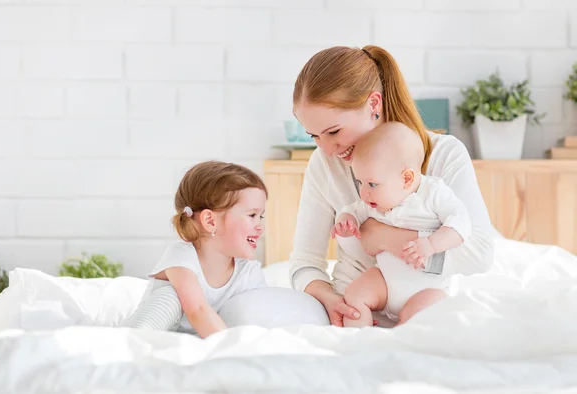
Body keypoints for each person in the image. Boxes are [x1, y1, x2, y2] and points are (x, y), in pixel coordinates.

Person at [289, 45, 494, 328]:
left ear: (374, 104)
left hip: (421, 310)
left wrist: (381, 236)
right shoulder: (325, 165)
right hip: (351, 312)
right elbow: (304, 262)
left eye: (334, 132)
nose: (326, 150)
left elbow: (479, 254)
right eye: (315, 136)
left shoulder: (443, 155)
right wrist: (330, 300)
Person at [331, 121, 472, 327]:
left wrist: (432, 244)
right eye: (360, 182)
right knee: (354, 294)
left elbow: (461, 223)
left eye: (371, 183)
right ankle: (360, 338)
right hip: (386, 283)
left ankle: (399, 338)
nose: (364, 192)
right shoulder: (373, 201)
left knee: (424, 313)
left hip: (426, 289)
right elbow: (352, 210)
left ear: (406, 179)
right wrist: (346, 221)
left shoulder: (433, 193)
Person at [122, 161, 267, 338]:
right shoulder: (181, 255)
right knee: (171, 296)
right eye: (252, 215)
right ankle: (130, 341)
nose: (260, 226)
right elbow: (197, 310)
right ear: (210, 221)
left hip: (201, 341)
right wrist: (231, 347)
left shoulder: (248, 273)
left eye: (261, 216)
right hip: (152, 336)